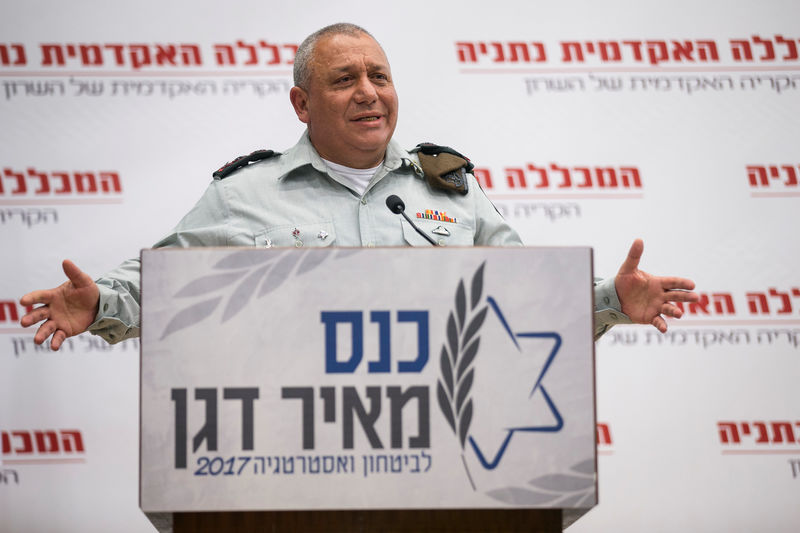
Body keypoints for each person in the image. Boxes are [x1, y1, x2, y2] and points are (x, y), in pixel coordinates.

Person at [19, 23, 698, 350]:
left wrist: (612, 299)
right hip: (292, 452)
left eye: (380, 75)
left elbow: (527, 297)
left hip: (440, 448)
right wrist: (100, 303)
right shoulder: (243, 193)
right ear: (301, 104)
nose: (370, 93)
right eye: (345, 79)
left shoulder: (451, 189)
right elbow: (158, 282)